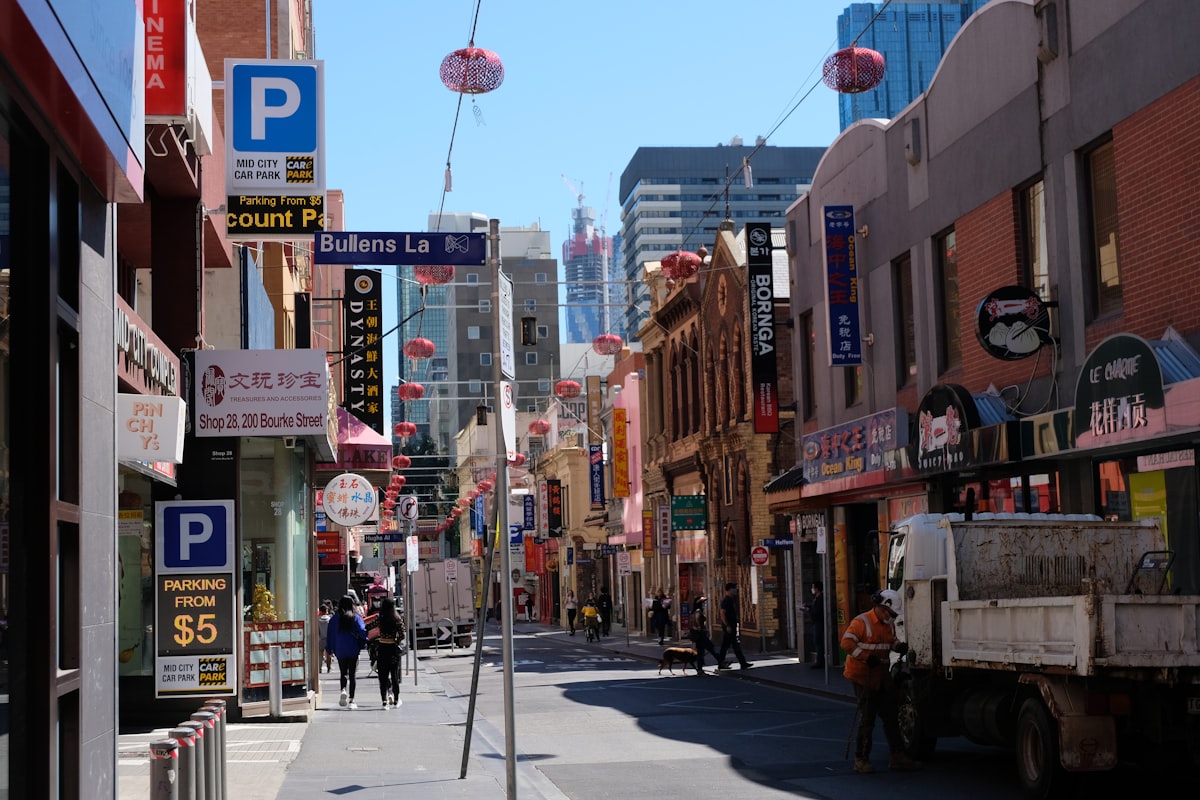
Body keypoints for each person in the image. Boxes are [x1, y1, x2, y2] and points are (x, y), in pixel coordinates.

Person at [841, 588, 920, 774]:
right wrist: (866, 657)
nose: (891, 617)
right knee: (867, 719)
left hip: (882, 676)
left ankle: (897, 756)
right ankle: (861, 759)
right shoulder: (861, 622)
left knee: (892, 717)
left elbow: (889, 641)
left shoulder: (888, 624)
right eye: (889, 613)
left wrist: (899, 646)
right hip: (863, 677)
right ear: (881, 607)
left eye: (893, 615)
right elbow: (846, 643)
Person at [325, 595, 367, 709]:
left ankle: (343, 689)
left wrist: (329, 649)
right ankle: (352, 700)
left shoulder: (334, 619)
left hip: (340, 649)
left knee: (343, 672)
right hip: (353, 649)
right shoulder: (355, 617)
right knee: (352, 674)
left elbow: (330, 635)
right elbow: (363, 631)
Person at [374, 596, 405, 709]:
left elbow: (371, 627)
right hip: (392, 649)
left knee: (382, 675)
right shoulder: (397, 619)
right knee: (394, 675)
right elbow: (402, 634)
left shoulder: (380, 618)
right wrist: (396, 640)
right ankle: (396, 699)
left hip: (382, 648)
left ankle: (384, 700)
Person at [716, 582, 752, 670]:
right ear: (729, 590)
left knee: (728, 645)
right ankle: (741, 663)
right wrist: (727, 625)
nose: (735, 590)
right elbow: (722, 613)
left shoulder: (732, 599)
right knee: (732, 645)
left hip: (732, 625)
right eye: (734, 588)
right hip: (729, 626)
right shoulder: (726, 600)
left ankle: (724, 663)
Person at [688, 595, 722, 674]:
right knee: (711, 648)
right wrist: (700, 626)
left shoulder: (694, 611)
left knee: (701, 651)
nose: (705, 604)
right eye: (703, 603)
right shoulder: (698, 611)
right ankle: (721, 661)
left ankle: (700, 668)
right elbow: (697, 618)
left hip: (698, 634)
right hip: (700, 634)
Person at [808, 581, 826, 668]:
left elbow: (817, 612)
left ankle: (820, 661)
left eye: (813, 588)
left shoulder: (820, 598)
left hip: (819, 623)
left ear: (817, 589)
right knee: (817, 642)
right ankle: (819, 661)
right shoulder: (817, 598)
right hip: (816, 623)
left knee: (818, 642)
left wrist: (809, 611)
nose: (812, 589)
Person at [317, 601, 333, 673]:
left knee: (320, 654)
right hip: (328, 639)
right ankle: (328, 668)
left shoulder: (317, 619)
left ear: (320, 611)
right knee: (328, 654)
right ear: (326, 611)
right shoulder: (330, 619)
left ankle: (319, 668)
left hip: (320, 639)